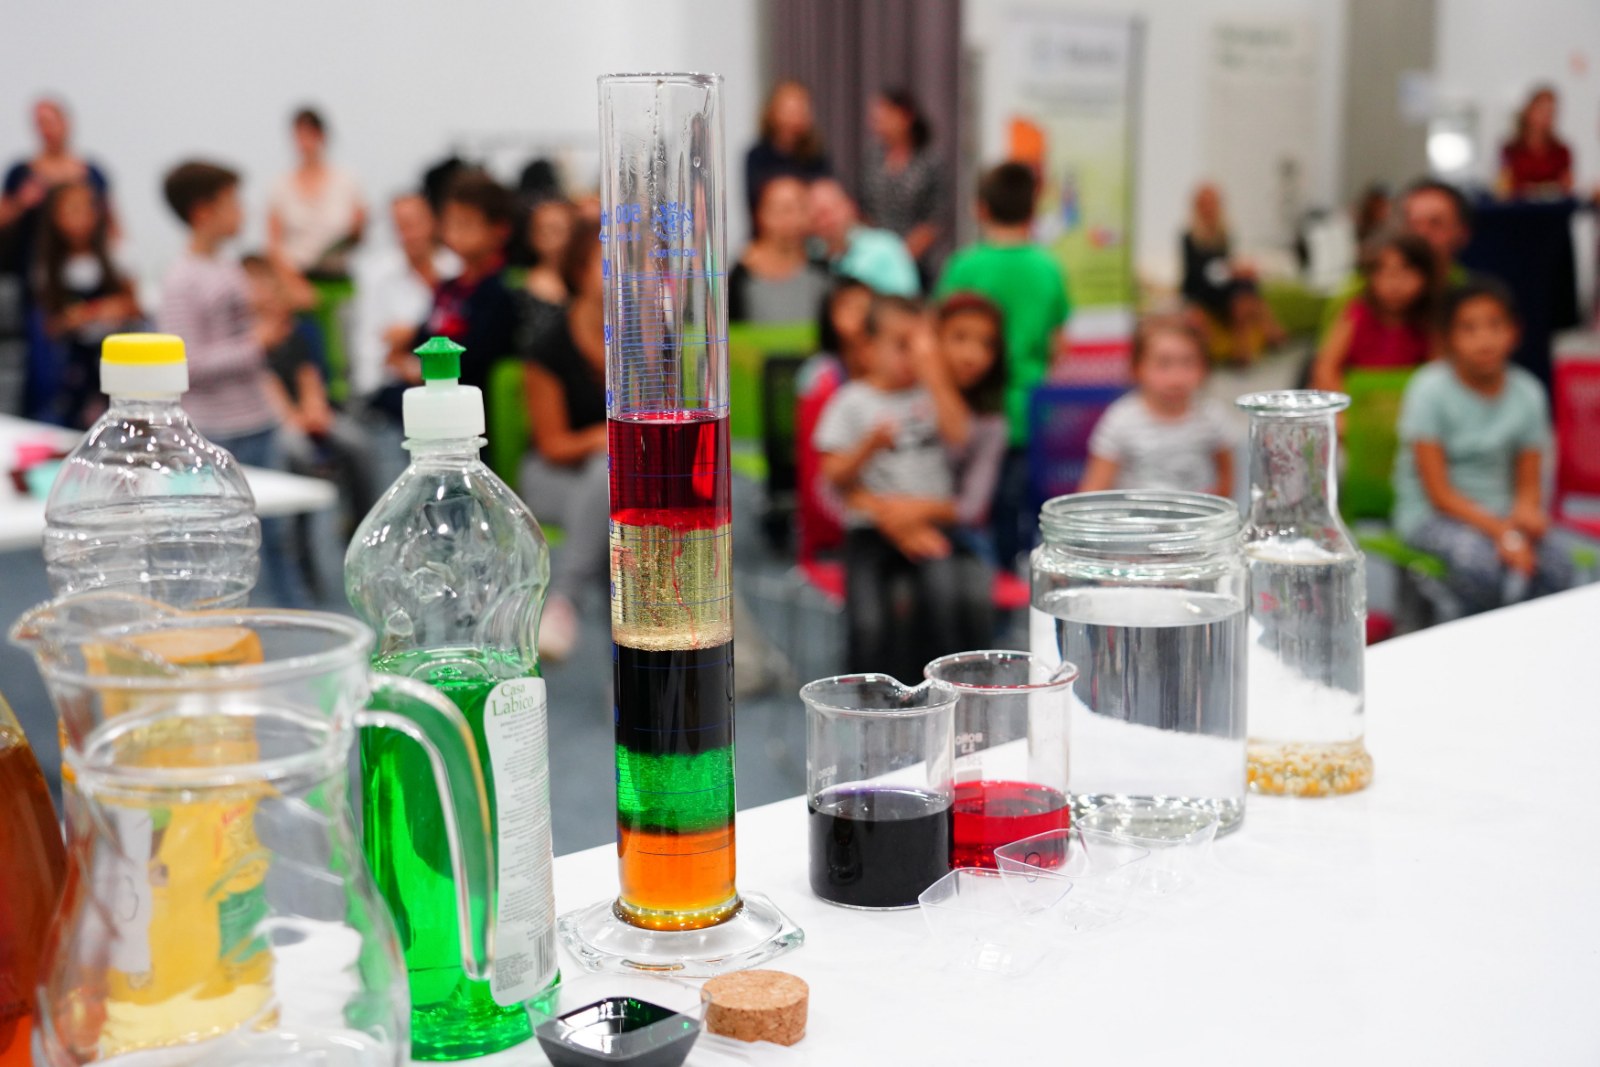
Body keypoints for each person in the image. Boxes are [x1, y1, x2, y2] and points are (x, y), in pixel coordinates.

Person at [814, 295, 991, 683]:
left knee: (944, 601)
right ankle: (866, 698)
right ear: (868, 348)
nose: (914, 356)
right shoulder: (851, 402)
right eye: (902, 345)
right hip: (870, 530)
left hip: (930, 528)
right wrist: (869, 447)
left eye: (920, 344)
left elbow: (960, 434)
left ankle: (936, 692)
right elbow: (831, 475)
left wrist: (934, 375)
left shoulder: (932, 394)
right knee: (868, 622)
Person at [157, 160, 307, 607]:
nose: (242, 211)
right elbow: (184, 365)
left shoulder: (228, 269)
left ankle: (292, 617)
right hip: (214, 432)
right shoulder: (181, 281)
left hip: (259, 420)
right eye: (231, 202)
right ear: (203, 211)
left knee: (276, 535)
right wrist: (256, 344)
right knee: (220, 544)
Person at [1393, 280, 1573, 616]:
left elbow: (1529, 480)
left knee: (1558, 566)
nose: (1484, 339)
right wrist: (1504, 534)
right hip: (1433, 516)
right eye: (1469, 328)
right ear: (1448, 338)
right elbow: (1439, 494)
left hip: (1502, 513)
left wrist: (1526, 512)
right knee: (1484, 568)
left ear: (1515, 332)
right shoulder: (1428, 391)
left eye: (1495, 325)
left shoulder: (1529, 392)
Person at [934, 161, 1071, 568]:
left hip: (973, 413)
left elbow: (938, 334)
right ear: (1033, 208)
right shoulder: (1048, 268)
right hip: (1029, 413)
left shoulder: (964, 266)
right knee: (1016, 519)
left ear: (980, 208)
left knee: (971, 513)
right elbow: (1057, 346)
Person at [518, 217, 608, 661]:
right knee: (613, 500)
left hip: (608, 483)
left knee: (610, 498)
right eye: (606, 262)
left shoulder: (649, 337)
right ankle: (570, 600)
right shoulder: (549, 346)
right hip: (551, 475)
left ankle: (563, 606)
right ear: (578, 270)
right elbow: (552, 445)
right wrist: (601, 438)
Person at [243, 253, 376, 528]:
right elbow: (263, 381)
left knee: (358, 444)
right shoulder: (245, 341)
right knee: (300, 454)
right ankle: (307, 536)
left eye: (267, 283)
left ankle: (363, 525)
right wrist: (292, 418)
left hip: (305, 412)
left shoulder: (297, 329)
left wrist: (315, 409)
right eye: (255, 285)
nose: (264, 292)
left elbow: (308, 373)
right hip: (275, 420)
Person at [1079, 316, 1233, 496]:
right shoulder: (1119, 420)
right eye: (1163, 364)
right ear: (1137, 368)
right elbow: (1092, 490)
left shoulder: (1213, 416)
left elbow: (1226, 480)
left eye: (1188, 362)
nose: (1176, 378)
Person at [397, 170, 518, 397]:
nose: (455, 233)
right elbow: (423, 339)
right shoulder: (447, 289)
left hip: (468, 399)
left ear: (499, 229)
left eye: (466, 224)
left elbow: (478, 358)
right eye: (450, 223)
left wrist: (420, 369)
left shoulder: (504, 290)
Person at [32, 180, 142, 427]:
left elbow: (136, 308)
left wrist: (111, 309)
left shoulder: (116, 254)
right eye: (72, 210)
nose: (82, 217)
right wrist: (73, 319)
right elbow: (48, 325)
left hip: (117, 358)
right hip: (75, 365)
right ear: (54, 217)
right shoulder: (48, 267)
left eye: (88, 208)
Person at [1320, 178, 1476, 342]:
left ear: (1462, 233)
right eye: (1412, 223)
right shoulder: (1357, 295)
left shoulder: (1471, 296)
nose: (1421, 233)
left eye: (1435, 223)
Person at [351, 193, 460, 411]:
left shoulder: (456, 268)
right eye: (401, 226)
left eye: (415, 224)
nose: (410, 234)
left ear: (432, 222)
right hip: (397, 388)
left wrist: (407, 337)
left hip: (454, 377)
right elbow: (370, 352)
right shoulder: (377, 276)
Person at [1311, 232, 1437, 394]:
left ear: (1426, 277)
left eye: (1405, 273)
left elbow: (1439, 374)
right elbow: (1325, 368)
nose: (1394, 284)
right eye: (1385, 273)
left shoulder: (1431, 323)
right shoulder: (1356, 316)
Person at [934, 293, 1008, 563]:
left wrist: (912, 512)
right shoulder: (906, 400)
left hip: (961, 539)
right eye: (959, 337)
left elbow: (971, 507)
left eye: (986, 344)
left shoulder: (992, 423)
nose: (972, 356)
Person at [1180, 183, 1282, 364]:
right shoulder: (1188, 237)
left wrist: (1236, 270)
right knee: (1242, 286)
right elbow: (1200, 274)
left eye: (1212, 203)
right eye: (1205, 203)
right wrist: (1231, 271)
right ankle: (1265, 332)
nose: (1209, 208)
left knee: (1245, 284)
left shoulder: (1224, 234)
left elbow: (1223, 268)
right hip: (1200, 290)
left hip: (1223, 289)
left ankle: (1244, 345)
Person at [267, 108, 366, 277]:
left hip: (337, 273)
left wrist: (356, 231)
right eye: (300, 135)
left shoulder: (347, 181)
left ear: (322, 136)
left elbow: (358, 233)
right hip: (296, 275)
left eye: (310, 134)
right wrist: (292, 281)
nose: (305, 142)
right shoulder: (280, 186)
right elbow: (273, 245)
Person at [860, 90, 941, 275]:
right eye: (876, 119)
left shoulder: (929, 161)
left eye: (886, 117)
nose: (879, 124)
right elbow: (865, 209)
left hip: (915, 261)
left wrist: (899, 258)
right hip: (874, 259)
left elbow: (934, 218)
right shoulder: (872, 157)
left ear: (906, 117)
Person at [729, 175, 830, 324]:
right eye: (784, 210)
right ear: (760, 215)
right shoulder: (739, 278)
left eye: (801, 207)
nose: (794, 219)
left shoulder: (824, 270)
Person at [808, 178, 919, 297]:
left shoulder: (884, 247)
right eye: (818, 216)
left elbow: (907, 301)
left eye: (831, 211)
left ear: (851, 206)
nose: (826, 221)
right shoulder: (810, 257)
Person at [745, 81, 830, 224]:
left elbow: (823, 194)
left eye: (800, 109)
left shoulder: (816, 155)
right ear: (772, 111)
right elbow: (754, 204)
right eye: (789, 109)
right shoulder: (757, 156)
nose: (794, 115)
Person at [1497, 86, 1573, 199]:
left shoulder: (1561, 151)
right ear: (1529, 111)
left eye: (1551, 112)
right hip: (1518, 208)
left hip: (1552, 209)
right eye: (1542, 110)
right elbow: (1504, 188)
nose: (1546, 117)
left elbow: (1566, 187)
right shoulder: (1511, 150)